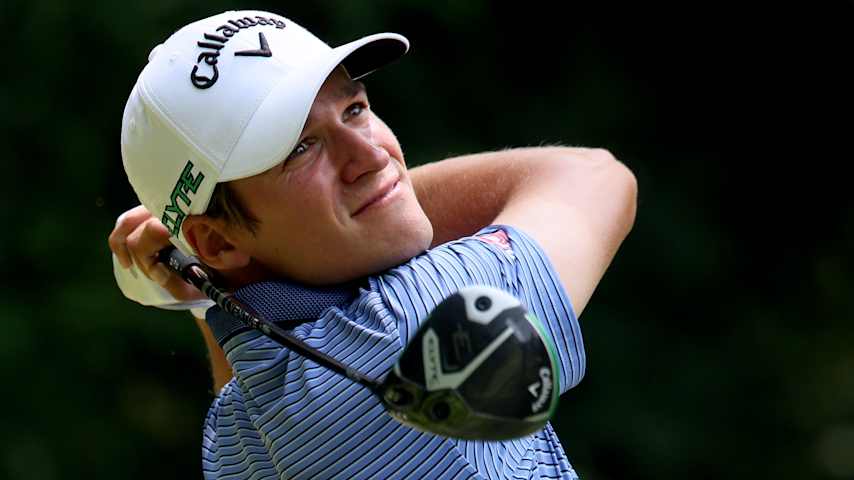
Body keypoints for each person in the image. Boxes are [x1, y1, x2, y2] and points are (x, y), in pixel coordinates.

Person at [110, 9, 637, 480]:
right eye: (300, 148)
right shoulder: (417, 323)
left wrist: (207, 288)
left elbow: (250, 358)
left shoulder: (234, 438)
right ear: (219, 242)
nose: (371, 154)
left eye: (354, 110)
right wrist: (386, 195)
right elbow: (593, 176)